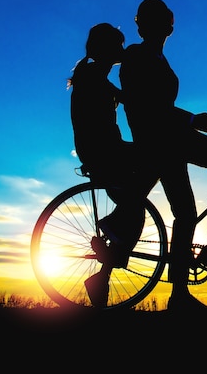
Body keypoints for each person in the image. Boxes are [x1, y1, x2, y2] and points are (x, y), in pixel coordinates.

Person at [120, 0, 207, 313]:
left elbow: (157, 107)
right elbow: (146, 106)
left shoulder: (157, 58)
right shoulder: (137, 56)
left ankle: (179, 296)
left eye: (166, 19)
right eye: (158, 19)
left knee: (187, 215)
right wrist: (194, 120)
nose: (166, 24)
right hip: (163, 139)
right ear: (145, 24)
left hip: (172, 139)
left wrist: (202, 120)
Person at [68, 23, 153, 307]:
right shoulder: (93, 77)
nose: (122, 50)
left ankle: (102, 274)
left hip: (103, 150)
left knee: (134, 209)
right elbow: (121, 103)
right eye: (118, 45)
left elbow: (125, 98)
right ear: (105, 49)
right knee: (143, 188)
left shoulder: (93, 75)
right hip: (104, 152)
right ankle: (112, 231)